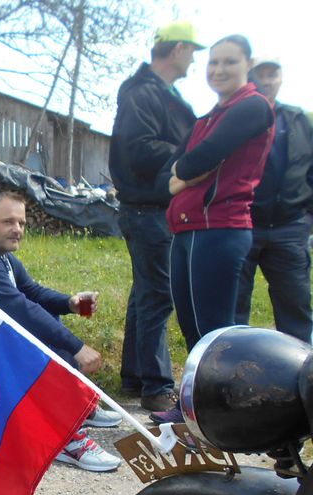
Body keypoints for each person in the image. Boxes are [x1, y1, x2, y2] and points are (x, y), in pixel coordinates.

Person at [0, 191, 122, 473]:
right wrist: (77, 347)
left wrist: (69, 303)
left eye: (22, 223)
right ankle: (64, 438)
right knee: (45, 343)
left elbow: (31, 291)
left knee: (50, 320)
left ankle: (75, 408)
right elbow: (20, 307)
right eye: (8, 222)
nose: (17, 229)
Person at [156, 34, 275, 424]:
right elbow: (170, 174)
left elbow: (196, 161)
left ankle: (223, 415)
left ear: (248, 65)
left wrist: (187, 172)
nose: (219, 70)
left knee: (216, 333)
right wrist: (185, 174)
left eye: (229, 62)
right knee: (193, 329)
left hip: (218, 227)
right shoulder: (208, 117)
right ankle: (195, 407)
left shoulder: (252, 106)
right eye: (213, 62)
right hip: (187, 229)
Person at [109, 20, 200, 413]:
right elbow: (140, 149)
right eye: (192, 51)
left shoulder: (160, 93)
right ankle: (157, 386)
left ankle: (136, 376)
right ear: (178, 49)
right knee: (158, 297)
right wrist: (195, 152)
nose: (194, 60)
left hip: (150, 208)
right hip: (148, 208)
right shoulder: (143, 93)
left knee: (145, 294)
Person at [234, 58, 313, 343]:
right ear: (250, 78)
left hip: (290, 227)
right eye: (261, 74)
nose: (267, 80)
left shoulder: (299, 120)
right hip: (243, 224)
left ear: (281, 78)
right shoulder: (237, 116)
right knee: (234, 307)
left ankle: (300, 368)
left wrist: (307, 217)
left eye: (273, 74)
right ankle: (232, 364)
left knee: (296, 306)